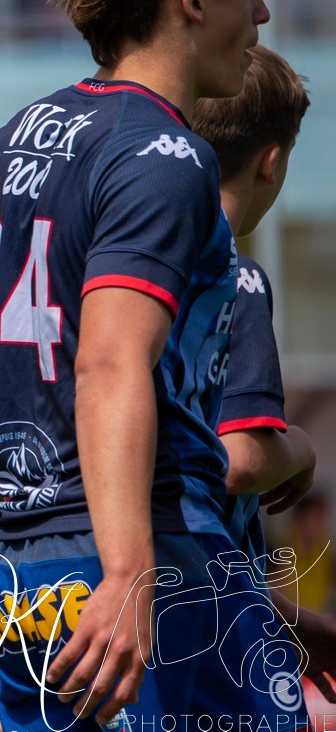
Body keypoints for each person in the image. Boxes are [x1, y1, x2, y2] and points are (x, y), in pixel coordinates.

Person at [0, 0, 300, 730]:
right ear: (193, 0)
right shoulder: (165, 156)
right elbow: (111, 360)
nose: (262, 18)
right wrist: (127, 571)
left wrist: (1, 579)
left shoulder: (6, 145)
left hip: (29, 577)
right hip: (152, 560)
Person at [188, 44, 336, 720]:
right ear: (272, 160)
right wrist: (300, 448)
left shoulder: (114, 269)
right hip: (210, 634)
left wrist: (297, 623)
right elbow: (238, 460)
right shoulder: (233, 279)